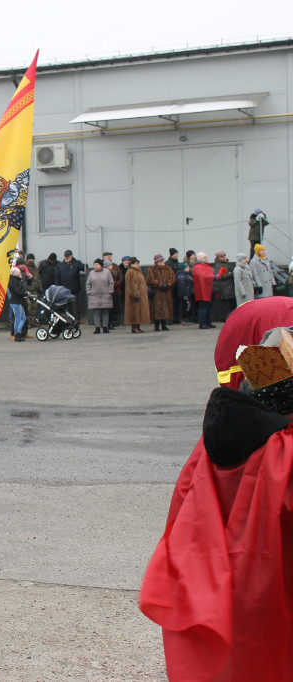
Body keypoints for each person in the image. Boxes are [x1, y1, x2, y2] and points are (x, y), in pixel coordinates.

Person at [139, 311, 293, 680]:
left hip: (223, 592)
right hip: (274, 599)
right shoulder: (283, 455)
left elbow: (182, 511)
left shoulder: (211, 442)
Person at [145, 254, 176, 332]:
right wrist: (160, 285)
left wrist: (168, 284)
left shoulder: (168, 269)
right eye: (160, 261)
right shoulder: (152, 269)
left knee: (166, 309)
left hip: (166, 292)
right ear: (156, 262)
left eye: (162, 260)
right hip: (157, 292)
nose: (162, 262)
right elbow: (151, 280)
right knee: (157, 309)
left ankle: (164, 325)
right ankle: (156, 326)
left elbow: (173, 278)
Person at [85, 258, 114, 334]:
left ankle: (105, 327)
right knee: (96, 312)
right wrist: (89, 292)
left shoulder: (107, 272)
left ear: (101, 265)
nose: (95, 266)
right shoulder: (91, 273)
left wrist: (110, 291)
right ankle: (97, 327)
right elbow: (88, 284)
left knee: (105, 311)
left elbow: (111, 282)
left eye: (97, 265)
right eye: (94, 265)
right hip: (94, 296)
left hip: (105, 295)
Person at [55, 249, 85, 319]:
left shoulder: (77, 263)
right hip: (64, 289)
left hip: (74, 288)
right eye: (65, 256)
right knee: (67, 305)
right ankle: (69, 318)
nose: (66, 258)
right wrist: (58, 287)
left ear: (71, 256)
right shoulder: (60, 265)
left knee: (75, 304)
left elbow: (83, 267)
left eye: (68, 256)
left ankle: (76, 318)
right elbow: (57, 277)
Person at [191, 253, 217, 329]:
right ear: (200, 258)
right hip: (203, 289)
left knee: (208, 307)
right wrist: (214, 277)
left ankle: (208, 322)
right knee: (203, 306)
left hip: (210, 288)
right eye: (204, 257)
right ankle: (202, 323)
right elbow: (203, 276)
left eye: (206, 257)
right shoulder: (197, 267)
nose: (206, 258)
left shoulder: (206, 266)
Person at [125, 257, 150, 333]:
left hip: (140, 295)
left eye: (138, 263)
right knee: (134, 311)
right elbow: (131, 285)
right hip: (135, 296)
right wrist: (135, 294)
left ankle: (137, 326)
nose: (137, 264)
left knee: (139, 312)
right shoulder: (131, 272)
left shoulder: (138, 272)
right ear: (131, 264)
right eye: (136, 263)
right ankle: (134, 327)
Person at [211, 251, 236, 321]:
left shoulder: (226, 264)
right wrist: (230, 274)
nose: (224, 257)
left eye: (225, 255)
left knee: (231, 305)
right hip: (224, 288)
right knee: (226, 306)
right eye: (222, 256)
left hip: (230, 287)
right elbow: (222, 276)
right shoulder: (219, 265)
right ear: (218, 257)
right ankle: (226, 318)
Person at [7, 264, 28, 342]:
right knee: (18, 318)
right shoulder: (13, 282)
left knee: (23, 318)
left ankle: (18, 332)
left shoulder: (16, 281)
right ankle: (17, 333)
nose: (20, 274)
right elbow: (16, 292)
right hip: (16, 302)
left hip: (18, 301)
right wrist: (24, 293)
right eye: (19, 273)